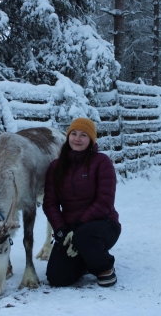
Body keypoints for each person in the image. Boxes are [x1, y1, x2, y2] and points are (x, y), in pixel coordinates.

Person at [42, 117, 121, 287]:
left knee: (85, 235)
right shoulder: (56, 166)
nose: (77, 139)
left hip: (102, 225)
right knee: (57, 278)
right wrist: (61, 230)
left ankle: (105, 268)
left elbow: (104, 201)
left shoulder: (101, 162)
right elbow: (50, 202)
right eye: (74, 134)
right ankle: (85, 260)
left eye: (83, 135)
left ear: (91, 139)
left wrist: (78, 226)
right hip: (70, 230)